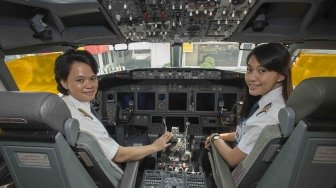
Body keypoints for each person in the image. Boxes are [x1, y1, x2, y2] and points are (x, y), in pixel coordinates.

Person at [54, 49, 173, 163]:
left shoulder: (66, 104)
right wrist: (155, 147)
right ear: (64, 82)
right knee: (146, 138)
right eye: (80, 80)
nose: (89, 85)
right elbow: (119, 156)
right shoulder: (79, 117)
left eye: (92, 78)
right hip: (115, 170)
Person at [204, 43, 292, 167]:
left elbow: (232, 158)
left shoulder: (269, 115)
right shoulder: (270, 103)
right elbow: (247, 133)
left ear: (281, 76)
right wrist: (220, 136)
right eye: (250, 70)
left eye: (262, 71)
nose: (251, 78)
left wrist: (214, 137)